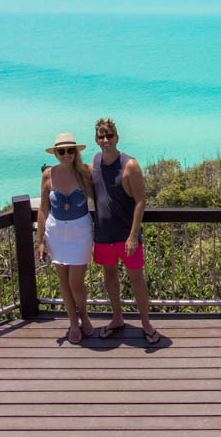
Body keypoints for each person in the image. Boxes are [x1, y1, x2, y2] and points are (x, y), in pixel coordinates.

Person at [91, 118, 160, 345]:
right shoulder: (96, 160)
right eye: (101, 136)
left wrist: (133, 235)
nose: (105, 140)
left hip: (125, 236)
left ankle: (146, 324)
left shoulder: (130, 165)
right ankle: (117, 318)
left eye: (109, 135)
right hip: (103, 235)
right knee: (110, 277)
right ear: (96, 139)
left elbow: (141, 201)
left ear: (117, 137)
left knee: (137, 280)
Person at [37, 132, 95, 344]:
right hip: (56, 232)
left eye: (70, 150)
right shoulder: (48, 175)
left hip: (81, 231)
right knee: (63, 281)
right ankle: (73, 322)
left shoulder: (86, 172)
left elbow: (107, 191)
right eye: (61, 151)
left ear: (76, 152)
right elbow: (43, 209)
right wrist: (40, 240)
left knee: (75, 282)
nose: (66, 155)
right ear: (55, 154)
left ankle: (85, 316)